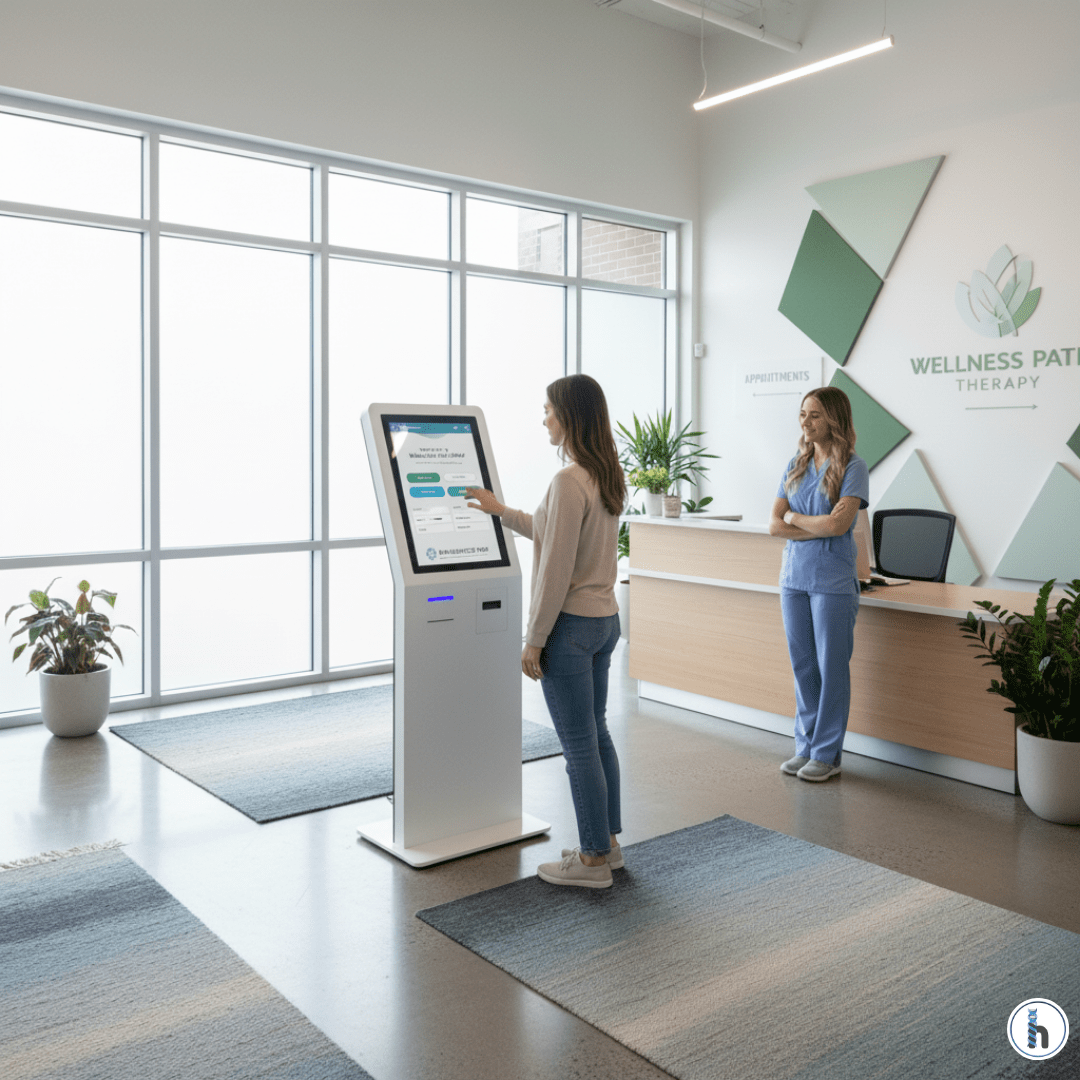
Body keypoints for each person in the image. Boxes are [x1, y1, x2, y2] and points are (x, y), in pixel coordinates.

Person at [466, 374, 624, 889]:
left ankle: (593, 860)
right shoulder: (604, 475)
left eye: (549, 411)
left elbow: (555, 569)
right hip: (604, 620)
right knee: (596, 734)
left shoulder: (567, 480)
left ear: (571, 417)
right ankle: (609, 845)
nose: (544, 420)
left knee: (578, 744)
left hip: (572, 628)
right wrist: (498, 509)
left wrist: (534, 639)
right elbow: (547, 529)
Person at [768, 387, 869, 782]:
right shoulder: (795, 464)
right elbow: (773, 524)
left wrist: (796, 519)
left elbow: (839, 524)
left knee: (831, 667)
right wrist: (807, 524)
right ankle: (805, 746)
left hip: (832, 581)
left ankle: (827, 754)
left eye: (814, 415)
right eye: (803, 414)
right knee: (804, 665)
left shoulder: (853, 467)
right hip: (794, 579)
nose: (805, 422)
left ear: (833, 419)